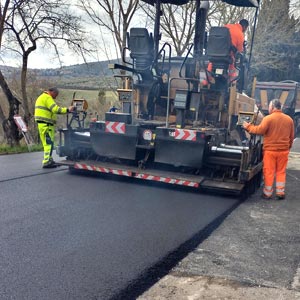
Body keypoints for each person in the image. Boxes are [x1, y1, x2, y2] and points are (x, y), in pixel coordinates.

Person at [242, 99, 294, 200]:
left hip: (270, 151)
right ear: (280, 107)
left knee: (269, 172)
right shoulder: (289, 120)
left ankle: (267, 193)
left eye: (270, 106)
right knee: (281, 171)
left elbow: (259, 130)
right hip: (283, 151)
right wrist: (288, 147)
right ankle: (280, 192)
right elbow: (291, 137)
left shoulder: (268, 118)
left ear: (272, 107)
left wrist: (248, 126)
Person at [34, 87, 74, 168]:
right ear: (51, 92)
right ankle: (46, 161)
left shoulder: (41, 97)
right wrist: (67, 110)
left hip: (43, 124)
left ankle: (49, 159)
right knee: (49, 143)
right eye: (56, 95)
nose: (55, 97)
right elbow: (55, 109)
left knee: (47, 143)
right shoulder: (47, 97)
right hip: (46, 125)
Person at [203, 19, 249, 86]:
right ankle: (231, 84)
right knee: (233, 64)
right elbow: (239, 51)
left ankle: (204, 82)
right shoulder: (240, 35)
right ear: (245, 27)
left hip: (214, 53)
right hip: (227, 57)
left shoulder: (227, 26)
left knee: (211, 65)